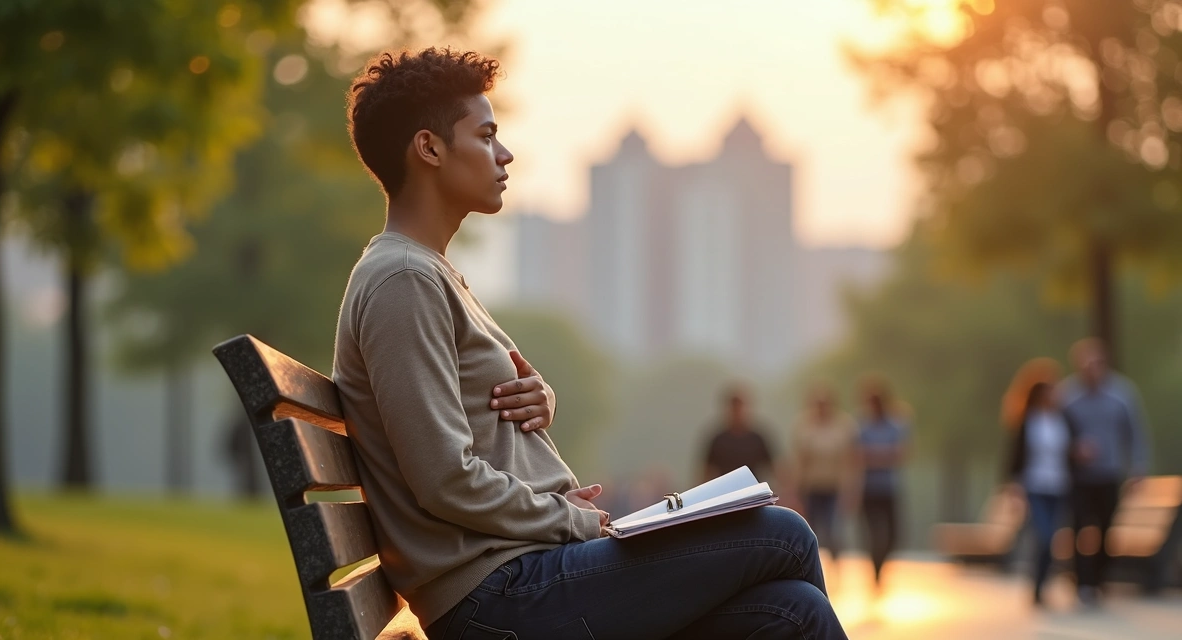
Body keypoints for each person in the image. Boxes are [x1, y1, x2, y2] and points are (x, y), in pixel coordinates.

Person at [330, 48, 846, 639]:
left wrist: (539, 399)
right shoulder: (403, 280)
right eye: (487, 136)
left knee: (795, 611)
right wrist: (570, 519)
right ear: (429, 148)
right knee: (783, 533)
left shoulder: (427, 273)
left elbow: (465, 417)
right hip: (497, 598)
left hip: (524, 576)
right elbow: (444, 477)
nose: (505, 154)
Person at [1057, 338, 1150, 606]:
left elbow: (1136, 432)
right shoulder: (1067, 396)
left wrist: (1138, 467)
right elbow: (1053, 434)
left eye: (1096, 363)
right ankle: (1083, 582)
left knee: (1106, 527)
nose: (1092, 369)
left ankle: (1097, 577)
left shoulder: (1122, 394)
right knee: (1078, 527)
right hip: (1077, 476)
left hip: (1109, 473)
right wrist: (1073, 449)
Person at [1005, 379, 1071, 607]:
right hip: (1035, 487)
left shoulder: (1063, 421)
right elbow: (1015, 456)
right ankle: (1038, 584)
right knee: (1044, 536)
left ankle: (1041, 586)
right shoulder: (1029, 422)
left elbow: (1070, 452)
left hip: (1059, 487)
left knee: (1052, 540)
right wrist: (1013, 486)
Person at [792, 383, 857, 561]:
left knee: (833, 530)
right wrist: (795, 491)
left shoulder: (844, 425)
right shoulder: (804, 425)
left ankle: (835, 565)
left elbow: (851, 460)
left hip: (835, 486)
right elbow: (799, 460)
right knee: (810, 530)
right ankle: (813, 566)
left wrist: (851, 490)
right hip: (811, 487)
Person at [854, 377, 908, 588]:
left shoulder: (895, 425)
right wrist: (883, 455)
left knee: (894, 534)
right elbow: (858, 455)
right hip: (868, 489)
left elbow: (900, 454)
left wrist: (873, 455)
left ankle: (881, 564)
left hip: (889, 488)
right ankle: (875, 570)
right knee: (872, 534)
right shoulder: (861, 426)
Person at [702, 384, 780, 484]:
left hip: (752, 489)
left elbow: (774, 468)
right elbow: (707, 471)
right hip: (726, 489)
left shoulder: (757, 439)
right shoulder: (718, 440)